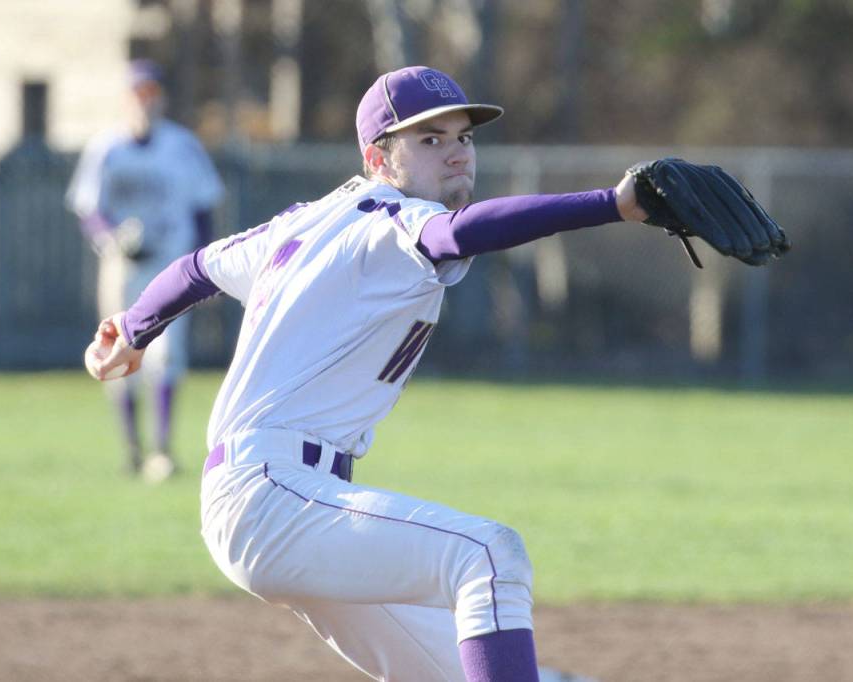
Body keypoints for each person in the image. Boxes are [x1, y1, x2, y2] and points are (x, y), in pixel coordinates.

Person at [87, 65, 648, 681]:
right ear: (377, 157)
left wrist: (132, 330)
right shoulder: (389, 219)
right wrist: (613, 205)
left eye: (463, 136)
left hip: (293, 502)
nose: (457, 153)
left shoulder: (303, 222)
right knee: (491, 555)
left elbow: (196, 268)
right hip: (275, 494)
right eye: (428, 140)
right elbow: (459, 234)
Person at [67, 59, 223, 481]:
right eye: (137, 93)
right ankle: (133, 449)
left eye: (150, 92)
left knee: (168, 357)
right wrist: (113, 238)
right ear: (125, 99)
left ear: (161, 98)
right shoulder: (106, 147)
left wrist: (208, 270)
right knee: (118, 352)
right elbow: (88, 208)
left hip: (172, 265)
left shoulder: (182, 146)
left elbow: (204, 206)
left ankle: (163, 449)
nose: (144, 101)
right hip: (123, 265)